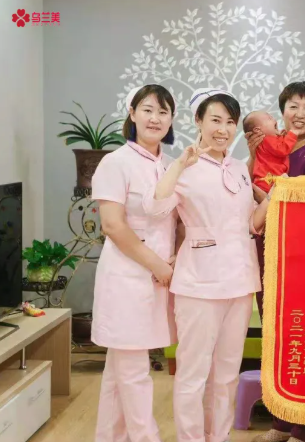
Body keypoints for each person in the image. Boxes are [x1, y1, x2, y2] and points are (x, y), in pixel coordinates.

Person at [143, 88, 271, 442]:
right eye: (215, 120)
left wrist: (274, 198)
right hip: (199, 283)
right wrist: (179, 165)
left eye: (230, 122)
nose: (223, 129)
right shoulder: (183, 166)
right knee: (193, 372)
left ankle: (219, 436)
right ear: (198, 121)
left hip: (240, 281)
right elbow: (155, 207)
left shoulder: (239, 168)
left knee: (227, 373)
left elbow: (250, 224)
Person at [91, 84, 178, 442]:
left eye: (163, 112)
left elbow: (176, 222)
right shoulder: (115, 162)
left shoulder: (170, 165)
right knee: (134, 373)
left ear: (171, 119)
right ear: (132, 114)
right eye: (147, 109)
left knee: (119, 372)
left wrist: (171, 261)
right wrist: (158, 265)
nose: (155, 118)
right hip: (126, 277)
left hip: (158, 277)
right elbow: (113, 226)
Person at [245, 80, 305, 442]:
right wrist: (252, 159)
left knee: (303, 341)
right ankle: (281, 421)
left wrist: (271, 194)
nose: (300, 114)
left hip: (302, 261)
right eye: (294, 106)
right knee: (276, 340)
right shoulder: (268, 150)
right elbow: (250, 194)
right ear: (282, 112)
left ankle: (304, 429)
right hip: (268, 255)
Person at [242, 110, 300, 192]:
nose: (274, 119)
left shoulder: (264, 142)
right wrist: (292, 134)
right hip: (268, 183)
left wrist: (283, 136)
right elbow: (282, 149)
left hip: (266, 182)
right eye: (269, 118)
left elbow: (275, 150)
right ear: (258, 130)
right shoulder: (266, 139)